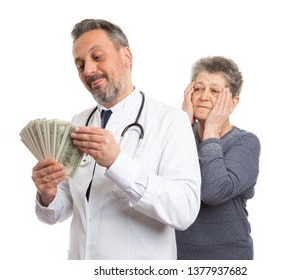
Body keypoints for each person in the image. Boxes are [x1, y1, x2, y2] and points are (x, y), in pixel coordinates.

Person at [31, 19, 201, 260]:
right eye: (80, 65)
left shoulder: (171, 121)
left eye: (97, 56)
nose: (88, 70)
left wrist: (117, 162)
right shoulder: (79, 121)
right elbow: (64, 207)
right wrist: (48, 193)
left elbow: (184, 210)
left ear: (126, 57)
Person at [176, 56, 260, 260]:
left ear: (232, 103)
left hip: (227, 258)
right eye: (198, 88)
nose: (204, 96)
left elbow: (213, 191)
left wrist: (211, 129)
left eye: (214, 91)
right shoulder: (178, 135)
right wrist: (181, 126)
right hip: (176, 254)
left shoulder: (245, 142)